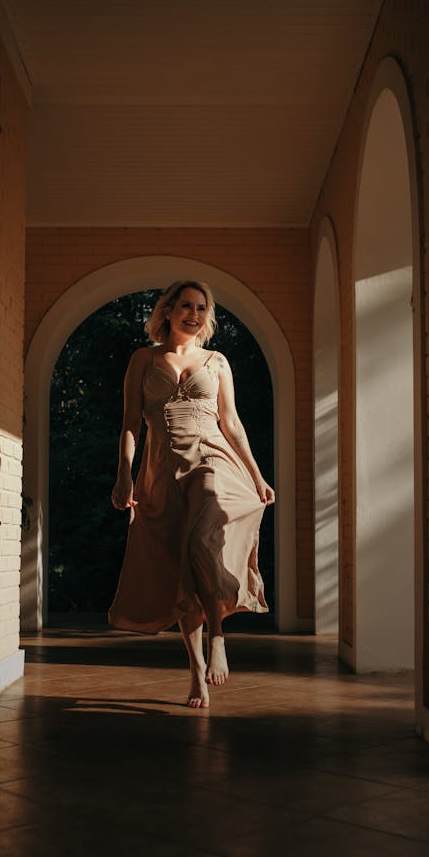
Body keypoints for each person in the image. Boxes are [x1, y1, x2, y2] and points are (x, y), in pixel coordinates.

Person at [109, 280, 275, 708]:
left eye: (201, 308)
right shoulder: (143, 359)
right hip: (161, 470)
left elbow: (231, 422)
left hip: (211, 460)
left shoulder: (216, 361)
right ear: (167, 310)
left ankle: (219, 637)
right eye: (186, 306)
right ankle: (197, 671)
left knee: (200, 542)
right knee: (179, 565)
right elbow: (130, 423)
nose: (194, 314)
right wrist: (124, 476)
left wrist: (257, 476)